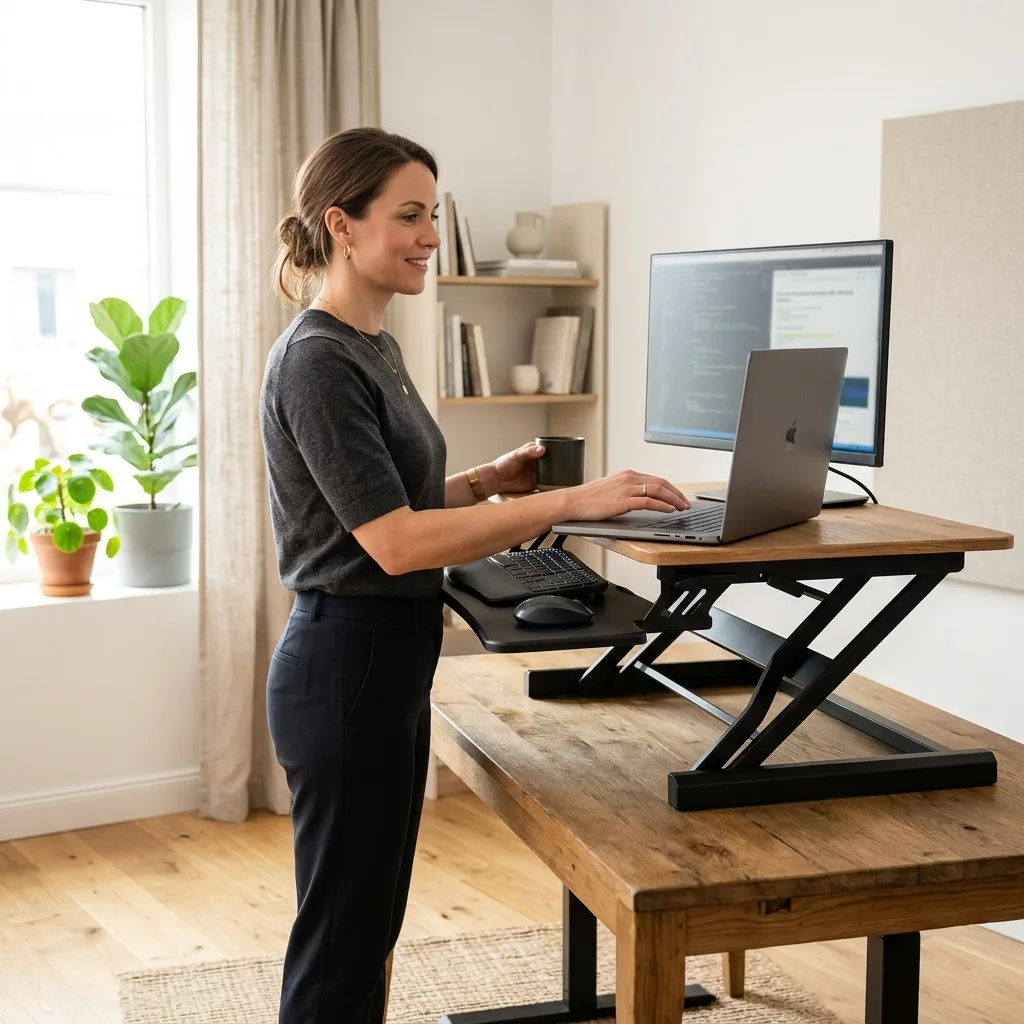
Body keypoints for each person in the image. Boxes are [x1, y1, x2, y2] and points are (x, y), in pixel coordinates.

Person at [258, 126, 690, 1024]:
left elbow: (387, 500)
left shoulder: (372, 344)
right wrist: (571, 503)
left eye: (430, 217)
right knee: (341, 941)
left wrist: (485, 484)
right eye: (408, 216)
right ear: (341, 224)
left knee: (367, 926)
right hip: (346, 664)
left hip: (385, 658)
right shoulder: (318, 360)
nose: (428, 237)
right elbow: (396, 544)